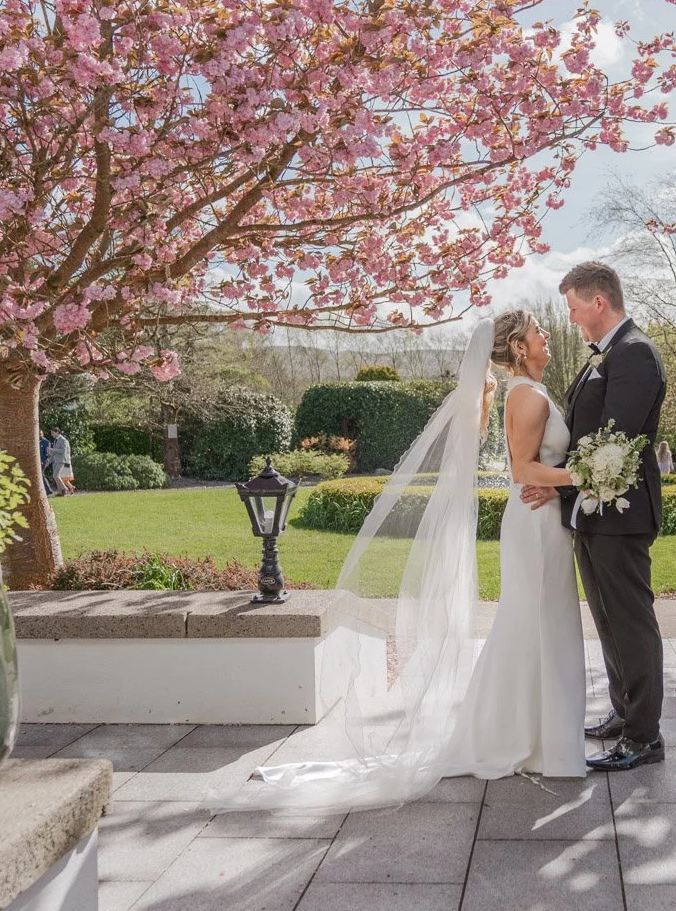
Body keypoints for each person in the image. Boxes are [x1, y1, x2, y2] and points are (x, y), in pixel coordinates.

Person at [252, 312, 588, 809]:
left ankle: (536, 739)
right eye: (539, 330)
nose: (547, 337)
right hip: (535, 524)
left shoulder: (527, 390)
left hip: (539, 521)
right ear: (519, 346)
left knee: (536, 624)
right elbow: (523, 469)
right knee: (535, 623)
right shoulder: (527, 395)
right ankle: (526, 739)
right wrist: (589, 474)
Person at [522, 260, 668, 773]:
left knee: (630, 623)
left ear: (598, 302)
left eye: (574, 307)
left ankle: (644, 736)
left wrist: (557, 483)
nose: (571, 319)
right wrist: (559, 490)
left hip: (622, 515)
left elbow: (615, 444)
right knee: (607, 621)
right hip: (591, 512)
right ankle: (624, 711)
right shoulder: (603, 356)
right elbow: (590, 443)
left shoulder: (635, 355)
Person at [47, 426, 75, 493]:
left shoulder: (63, 440)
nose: (51, 434)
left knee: (56, 476)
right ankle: (68, 488)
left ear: (57, 432)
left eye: (52, 433)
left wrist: (53, 450)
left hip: (62, 461)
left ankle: (65, 488)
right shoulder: (55, 440)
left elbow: (63, 451)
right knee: (62, 477)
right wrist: (49, 461)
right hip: (56, 461)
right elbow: (54, 453)